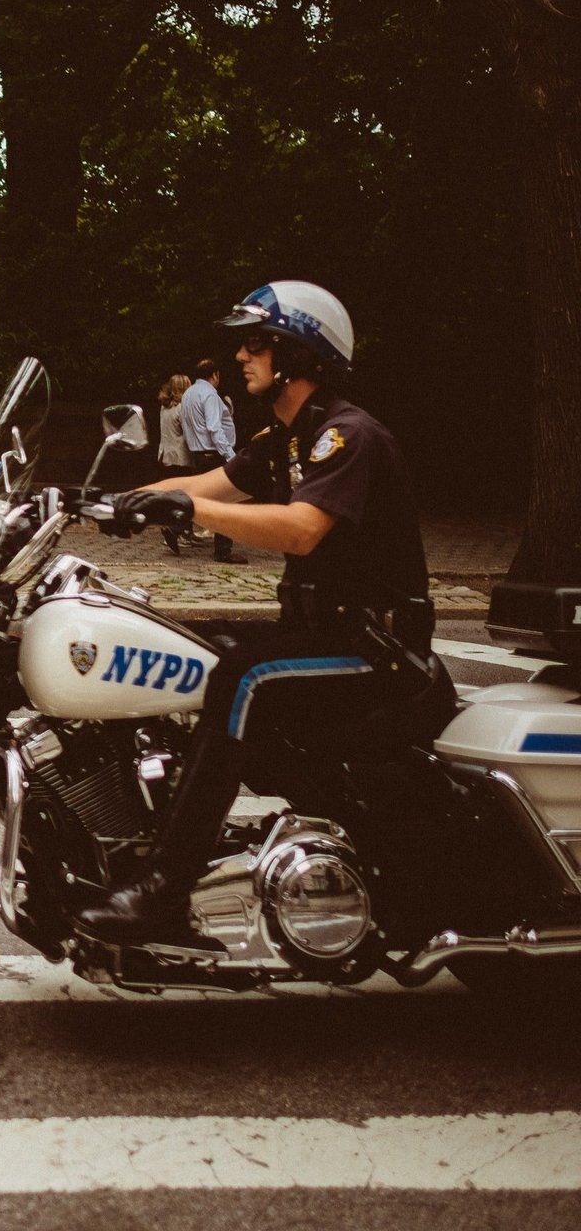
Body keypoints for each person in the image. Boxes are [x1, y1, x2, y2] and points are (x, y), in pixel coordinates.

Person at [75, 280, 441, 949]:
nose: (241, 356)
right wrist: (99, 500)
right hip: (320, 633)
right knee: (180, 646)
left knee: (242, 676)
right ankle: (147, 836)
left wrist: (189, 509)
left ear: (298, 354)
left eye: (256, 344)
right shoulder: (287, 438)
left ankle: (164, 887)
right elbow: (202, 483)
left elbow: (301, 529)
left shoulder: (345, 436)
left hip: (378, 651)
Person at [178, 357, 248, 564]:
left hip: (197, 453)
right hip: (213, 454)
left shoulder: (188, 393)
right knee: (226, 499)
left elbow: (186, 424)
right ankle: (223, 551)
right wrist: (230, 456)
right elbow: (214, 428)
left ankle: (174, 526)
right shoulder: (209, 394)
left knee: (197, 495)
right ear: (215, 375)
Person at [154, 372, 196, 554]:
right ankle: (180, 530)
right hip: (181, 457)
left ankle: (181, 529)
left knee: (172, 495)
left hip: (165, 454)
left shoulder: (164, 407)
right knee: (186, 496)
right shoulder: (181, 409)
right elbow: (188, 433)